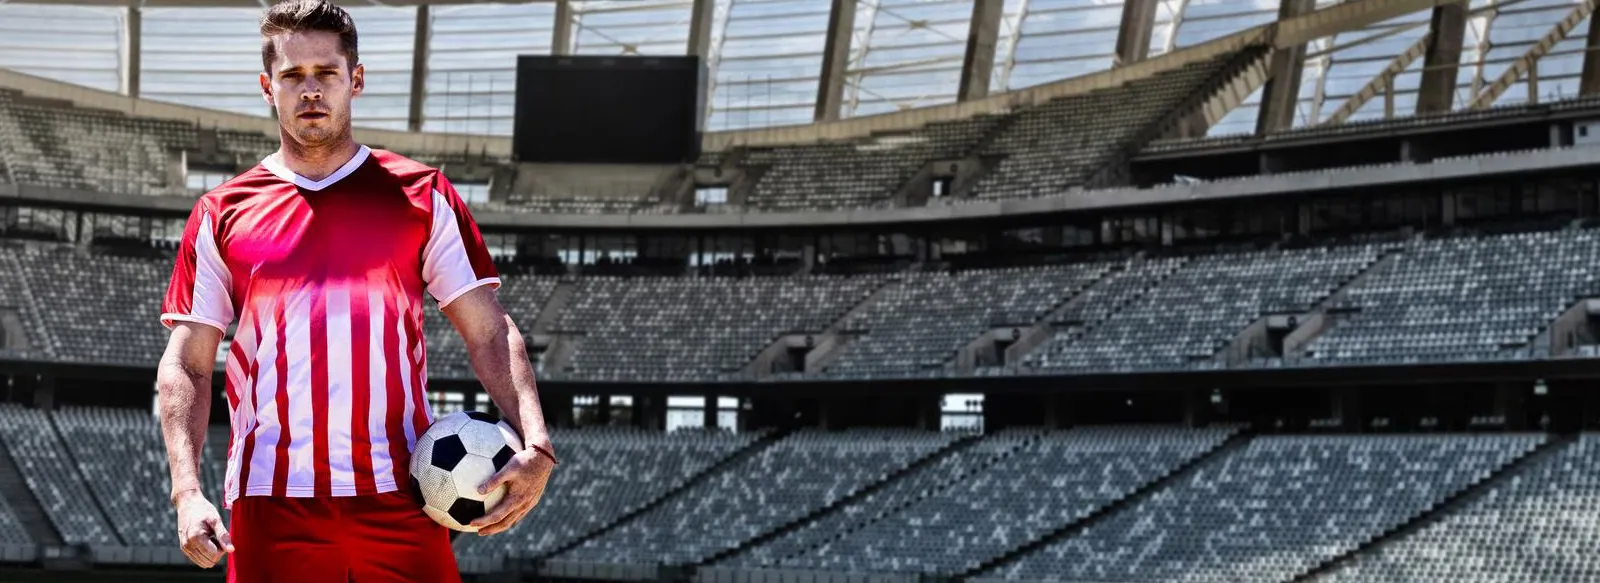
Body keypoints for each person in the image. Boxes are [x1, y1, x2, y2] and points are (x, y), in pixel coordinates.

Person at [154, 1, 556, 581]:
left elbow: (489, 330)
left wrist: (537, 444)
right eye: (292, 76)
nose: (309, 90)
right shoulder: (222, 212)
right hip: (271, 500)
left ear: (356, 80)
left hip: (407, 493)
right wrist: (187, 492)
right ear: (269, 87)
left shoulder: (423, 195)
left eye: (326, 74)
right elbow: (188, 365)